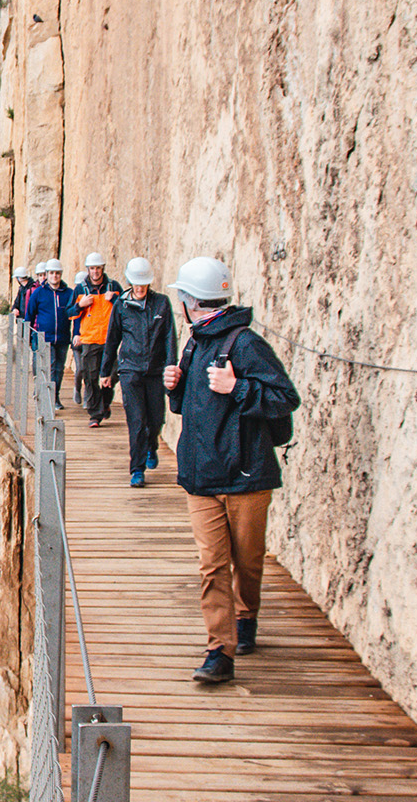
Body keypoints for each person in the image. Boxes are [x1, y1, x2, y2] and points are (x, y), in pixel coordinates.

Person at [162, 256, 300, 684]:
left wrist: (238, 386)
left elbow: (285, 398)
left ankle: (247, 617)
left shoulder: (244, 344)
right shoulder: (195, 342)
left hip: (244, 477)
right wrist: (176, 386)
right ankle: (219, 650)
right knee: (212, 565)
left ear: (193, 302)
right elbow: (189, 407)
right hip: (202, 476)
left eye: (183, 298)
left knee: (248, 560)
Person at [100, 258, 175, 487]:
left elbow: (170, 337)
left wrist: (171, 366)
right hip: (130, 370)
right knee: (137, 421)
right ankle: (137, 469)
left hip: (155, 370)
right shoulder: (121, 306)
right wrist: (106, 372)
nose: (140, 288)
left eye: (144, 284)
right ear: (130, 282)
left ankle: (152, 446)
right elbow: (112, 340)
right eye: (136, 284)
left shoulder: (162, 303)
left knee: (156, 419)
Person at [72, 253, 122, 426]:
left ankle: (105, 404)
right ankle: (95, 414)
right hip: (90, 339)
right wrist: (80, 305)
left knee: (111, 376)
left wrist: (114, 299)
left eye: (98, 268)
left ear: (103, 268)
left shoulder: (113, 286)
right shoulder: (80, 289)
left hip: (110, 340)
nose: (95, 272)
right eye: (92, 268)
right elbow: (69, 313)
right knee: (91, 377)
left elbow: (125, 308)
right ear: (88, 270)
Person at [23, 259, 75, 409]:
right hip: (45, 338)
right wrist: (29, 334)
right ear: (47, 274)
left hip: (63, 338)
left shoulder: (68, 293)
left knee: (59, 369)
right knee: (50, 367)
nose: (54, 276)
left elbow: (74, 312)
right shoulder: (39, 293)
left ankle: (55, 396)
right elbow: (30, 314)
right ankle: (49, 399)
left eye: (57, 273)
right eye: (51, 273)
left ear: (61, 274)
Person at [70, 268, 88, 405]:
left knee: (89, 370)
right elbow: (75, 319)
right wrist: (76, 334)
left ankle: (88, 396)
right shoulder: (77, 303)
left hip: (89, 339)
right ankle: (77, 388)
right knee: (80, 368)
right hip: (78, 339)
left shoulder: (91, 300)